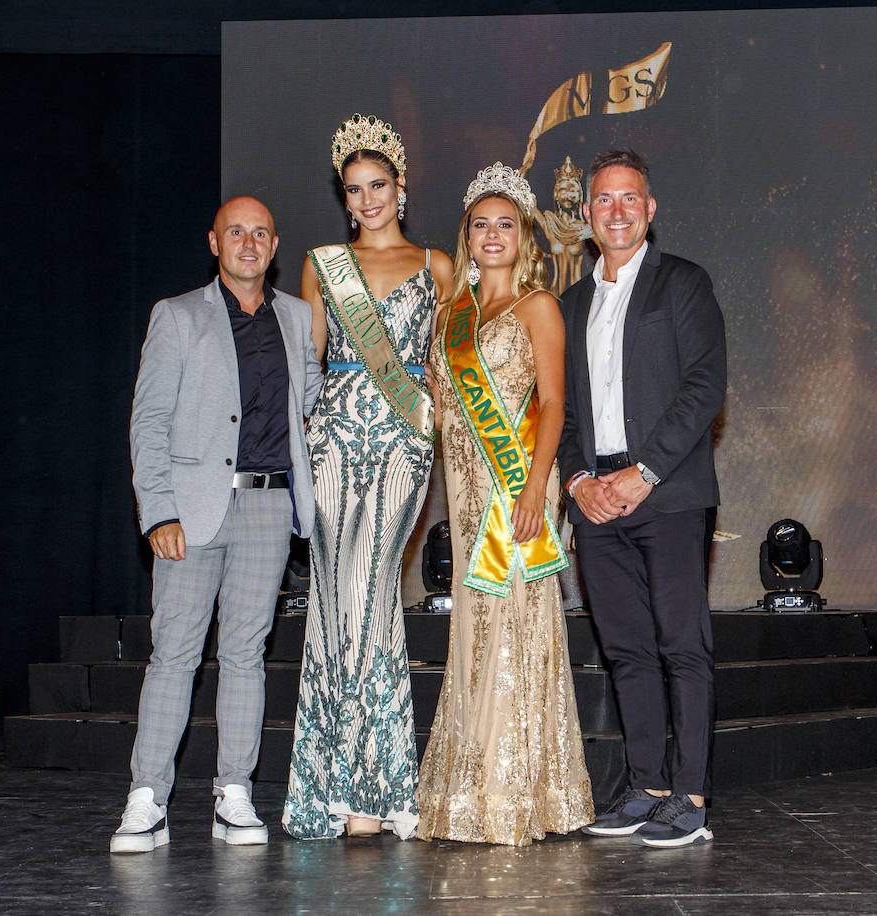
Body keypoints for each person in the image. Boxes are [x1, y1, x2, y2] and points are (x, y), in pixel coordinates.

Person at [111, 196, 322, 853]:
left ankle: (234, 794)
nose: (249, 243)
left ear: (275, 244)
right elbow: (147, 421)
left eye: (261, 232)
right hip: (192, 513)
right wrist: (160, 511)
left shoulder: (295, 317)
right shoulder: (176, 316)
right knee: (174, 654)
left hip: (267, 505)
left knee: (244, 657)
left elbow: (309, 400)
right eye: (237, 232)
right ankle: (145, 800)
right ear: (214, 242)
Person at [283, 114, 453, 840]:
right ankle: (362, 791)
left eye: (378, 184)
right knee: (337, 600)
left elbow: (447, 372)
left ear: (401, 186)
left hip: (402, 440)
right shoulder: (322, 265)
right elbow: (306, 371)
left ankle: (358, 784)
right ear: (344, 197)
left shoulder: (438, 265)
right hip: (332, 442)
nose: (367, 199)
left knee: (367, 583)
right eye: (354, 189)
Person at [415, 163, 594, 845]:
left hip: (516, 483)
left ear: (525, 237)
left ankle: (517, 791)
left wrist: (533, 485)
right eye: (481, 225)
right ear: (468, 235)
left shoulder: (538, 306)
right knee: (475, 625)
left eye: (506, 225)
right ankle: (471, 785)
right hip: (463, 491)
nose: (494, 236)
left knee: (515, 622)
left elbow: (553, 403)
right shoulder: (450, 313)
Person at [559, 150, 727, 848]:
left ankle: (689, 796)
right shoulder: (571, 302)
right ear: (587, 213)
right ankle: (647, 786)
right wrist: (576, 484)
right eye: (605, 200)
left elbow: (704, 388)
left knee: (681, 646)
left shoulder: (683, 283)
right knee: (625, 650)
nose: (618, 211)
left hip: (670, 492)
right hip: (596, 499)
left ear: (650, 210)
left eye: (631, 199)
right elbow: (562, 413)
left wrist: (644, 473)